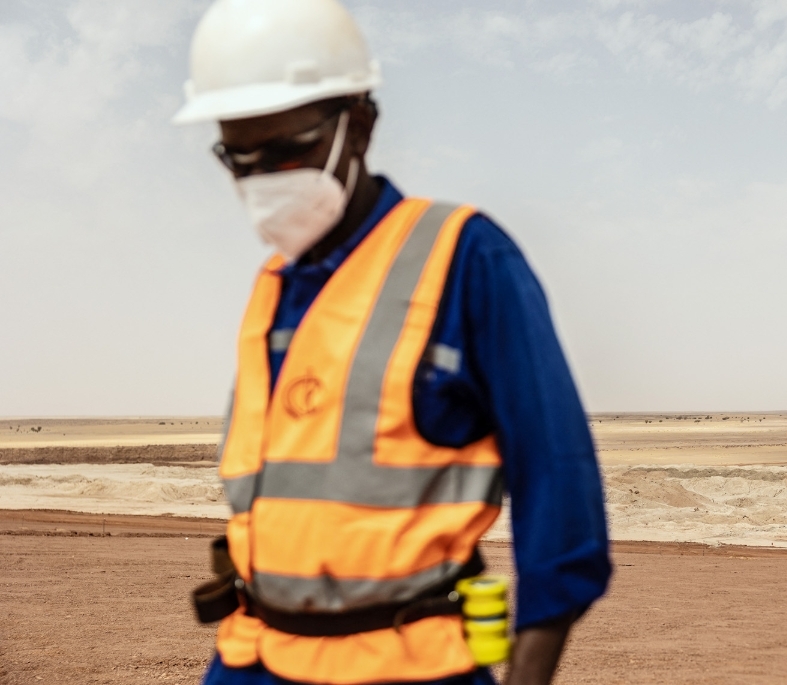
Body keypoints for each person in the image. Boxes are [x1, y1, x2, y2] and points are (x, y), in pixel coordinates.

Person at [172, 1, 611, 684]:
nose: (263, 180)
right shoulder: (275, 283)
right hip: (251, 657)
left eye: (288, 149)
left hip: (407, 664)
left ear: (362, 125)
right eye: (239, 156)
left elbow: (557, 478)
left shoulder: (466, 259)